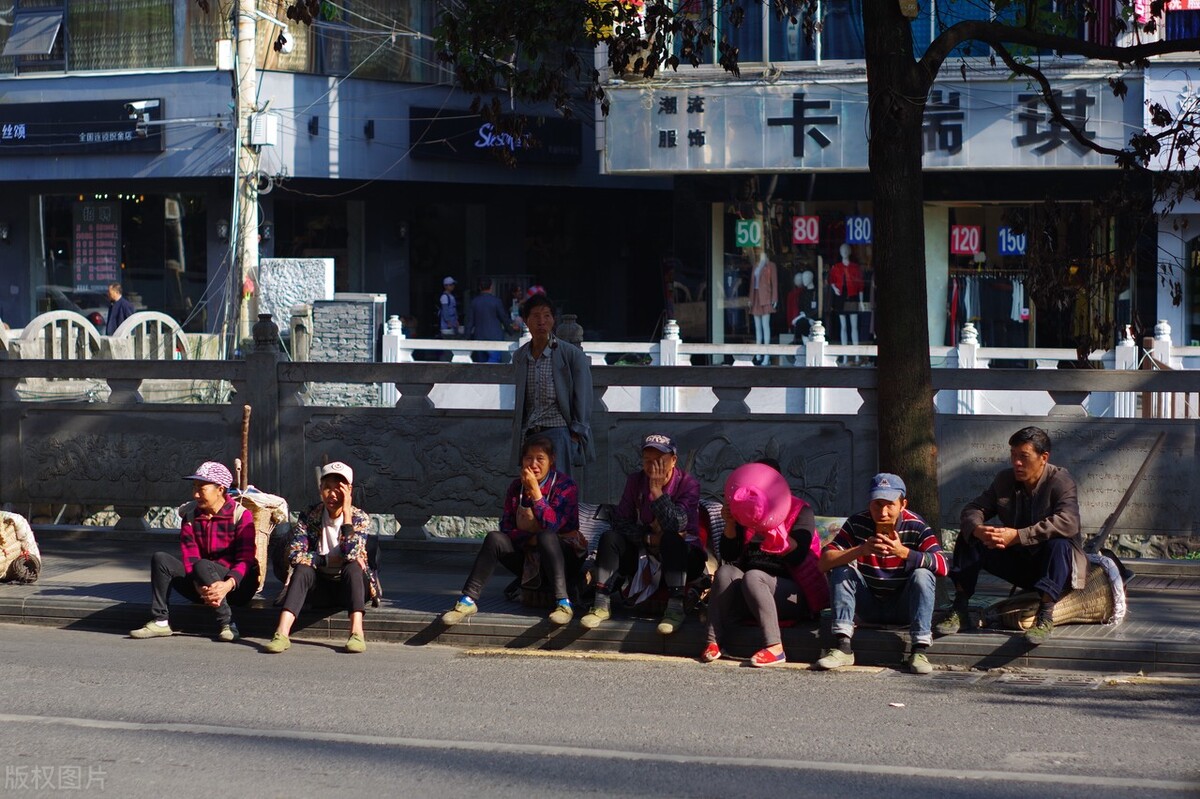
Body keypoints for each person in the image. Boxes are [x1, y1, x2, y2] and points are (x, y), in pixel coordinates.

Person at [938, 426, 1083, 645]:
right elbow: (973, 509)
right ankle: (960, 608)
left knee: (1060, 544)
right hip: (1020, 563)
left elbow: (1069, 522)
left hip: (1055, 569)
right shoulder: (1005, 480)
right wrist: (978, 528)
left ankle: (1045, 616)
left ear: (1043, 458)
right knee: (970, 536)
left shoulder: (1060, 481)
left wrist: (1018, 536)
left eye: (1023, 457)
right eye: (1013, 456)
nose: (1016, 463)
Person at [441, 435, 583, 626]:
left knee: (547, 537)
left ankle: (563, 602)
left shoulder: (566, 486)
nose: (533, 464)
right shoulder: (516, 487)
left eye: (540, 459)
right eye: (528, 458)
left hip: (563, 557)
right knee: (494, 538)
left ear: (552, 460)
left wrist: (536, 493)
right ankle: (468, 600)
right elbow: (506, 527)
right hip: (528, 553)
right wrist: (529, 539)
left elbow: (552, 525)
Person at [815, 473, 947, 674]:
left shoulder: (916, 526)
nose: (883, 512)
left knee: (923, 574)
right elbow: (824, 562)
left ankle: (919, 650)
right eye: (877, 504)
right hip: (869, 604)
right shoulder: (857, 523)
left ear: (902, 504)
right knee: (841, 569)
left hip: (904, 607)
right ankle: (843, 647)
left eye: (889, 505)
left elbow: (943, 565)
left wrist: (904, 553)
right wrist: (860, 550)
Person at [703, 462, 827, 667]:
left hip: (790, 594)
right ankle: (713, 641)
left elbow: (797, 556)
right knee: (725, 572)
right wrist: (731, 523)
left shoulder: (801, 511)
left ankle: (775, 647)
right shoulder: (745, 511)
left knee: (754, 575)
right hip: (751, 592)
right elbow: (729, 554)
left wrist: (771, 524)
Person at [580, 434, 702, 635]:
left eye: (659, 461)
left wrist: (657, 491)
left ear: (673, 461)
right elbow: (620, 522)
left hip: (683, 558)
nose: (652, 467)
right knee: (610, 538)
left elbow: (676, 524)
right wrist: (648, 538)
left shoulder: (688, 484)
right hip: (643, 552)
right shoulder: (635, 481)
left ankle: (674, 609)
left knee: (672, 539)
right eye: (647, 461)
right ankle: (601, 602)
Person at [129, 461, 258, 642]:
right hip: (203, 583)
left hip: (237, 586)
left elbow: (246, 558)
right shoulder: (190, 516)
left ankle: (227, 623)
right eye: (194, 487)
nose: (195, 494)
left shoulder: (241, 515)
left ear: (220, 489)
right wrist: (199, 585)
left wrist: (227, 584)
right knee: (161, 559)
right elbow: (190, 556)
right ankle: (160, 621)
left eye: (201, 488)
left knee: (203, 565)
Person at [265, 462, 373, 654]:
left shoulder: (360, 518)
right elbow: (296, 554)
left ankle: (356, 633)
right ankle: (281, 633)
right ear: (320, 489)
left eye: (338, 488)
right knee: (303, 569)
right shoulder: (309, 515)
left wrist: (347, 515)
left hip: (350, 588)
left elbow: (352, 554)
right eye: (327, 488)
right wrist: (325, 560)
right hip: (319, 587)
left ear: (349, 490)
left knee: (354, 567)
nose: (332, 494)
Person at [511, 293, 594, 479]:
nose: (541, 321)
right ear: (526, 321)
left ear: (553, 320)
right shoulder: (520, 357)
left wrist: (575, 435)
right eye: (536, 316)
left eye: (546, 316)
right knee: (533, 491)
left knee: (559, 491)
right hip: (531, 432)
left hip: (559, 432)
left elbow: (584, 397)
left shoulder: (570, 355)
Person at [467, 277, 514, 363]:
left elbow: (470, 322)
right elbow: (504, 318)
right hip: (495, 338)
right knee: (494, 365)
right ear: (491, 287)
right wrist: (510, 330)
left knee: (481, 366)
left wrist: (465, 338)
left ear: (480, 287)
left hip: (479, 338)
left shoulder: (474, 302)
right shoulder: (496, 301)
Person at [828, 243, 863, 350]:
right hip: (841, 298)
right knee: (843, 326)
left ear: (850, 252)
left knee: (854, 326)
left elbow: (860, 286)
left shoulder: (855, 268)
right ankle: (845, 355)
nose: (845, 252)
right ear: (840, 252)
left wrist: (861, 302)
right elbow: (831, 280)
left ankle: (856, 354)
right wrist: (834, 288)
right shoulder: (836, 267)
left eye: (847, 250)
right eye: (842, 250)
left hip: (852, 297)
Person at [749, 249, 777, 365]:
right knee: (757, 328)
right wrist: (750, 298)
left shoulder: (771, 265)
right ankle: (758, 354)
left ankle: (766, 355)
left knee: (766, 327)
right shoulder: (756, 265)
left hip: (766, 298)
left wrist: (774, 298)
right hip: (756, 297)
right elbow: (752, 284)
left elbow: (774, 282)